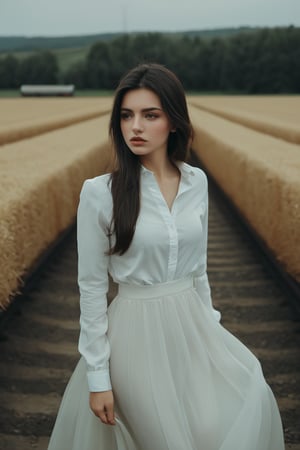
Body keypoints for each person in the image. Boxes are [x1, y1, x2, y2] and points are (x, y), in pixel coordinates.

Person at [48, 63, 284, 450]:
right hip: (134, 339)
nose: (135, 126)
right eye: (126, 115)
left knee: (230, 409)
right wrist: (98, 377)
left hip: (192, 330)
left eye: (149, 115)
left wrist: (212, 331)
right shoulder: (100, 193)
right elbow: (90, 288)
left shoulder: (196, 182)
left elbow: (199, 271)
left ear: (174, 122)